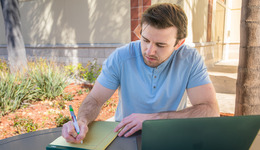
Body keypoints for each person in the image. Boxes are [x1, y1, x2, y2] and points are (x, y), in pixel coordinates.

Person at [62, 3, 220, 143]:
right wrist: (82, 120)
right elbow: (95, 99)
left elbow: (210, 110)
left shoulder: (190, 59)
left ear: (179, 43)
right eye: (145, 40)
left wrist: (152, 119)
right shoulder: (121, 57)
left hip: (171, 134)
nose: (149, 51)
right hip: (125, 135)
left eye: (160, 44)